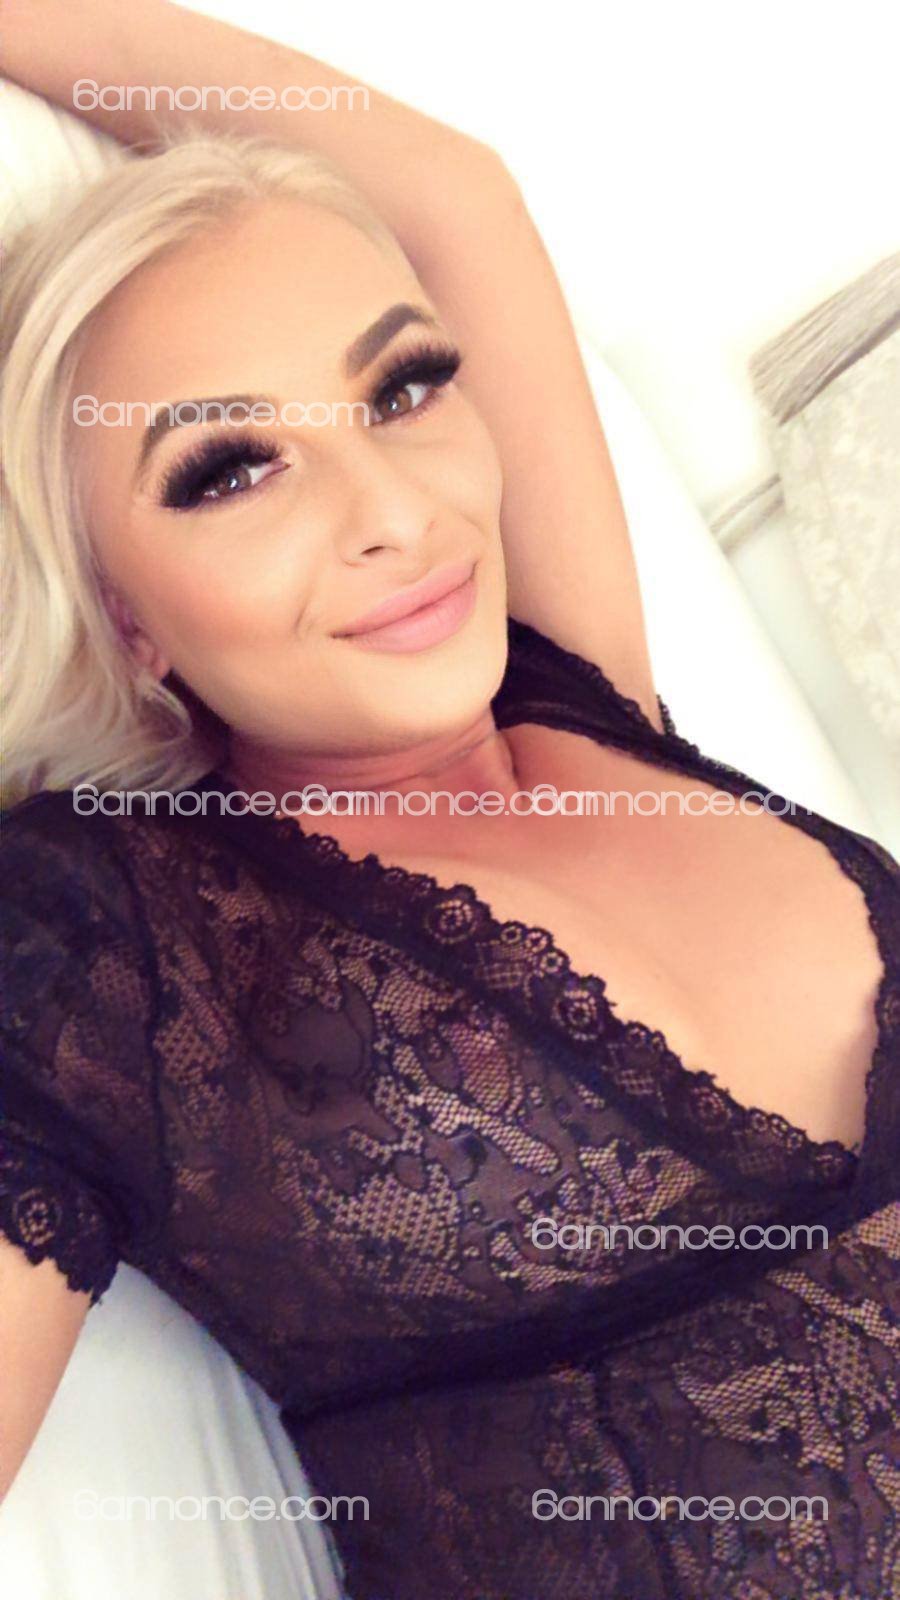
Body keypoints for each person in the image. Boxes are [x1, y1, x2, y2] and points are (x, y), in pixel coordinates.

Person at [1, 5, 897, 1597]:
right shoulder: (107, 935)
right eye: (229, 469)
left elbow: (448, 192)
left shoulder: (583, 703)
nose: (396, 513)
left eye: (404, 388)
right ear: (125, 621)